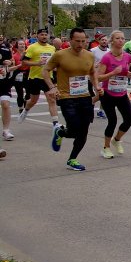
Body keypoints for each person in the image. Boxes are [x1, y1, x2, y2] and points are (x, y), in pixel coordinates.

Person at [43, 28, 100, 171]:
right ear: (70, 40)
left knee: (84, 131)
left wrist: (96, 86)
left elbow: (92, 73)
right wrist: (52, 87)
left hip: (85, 96)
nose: (81, 44)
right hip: (66, 97)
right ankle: (61, 132)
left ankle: (72, 159)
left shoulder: (89, 55)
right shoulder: (60, 55)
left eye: (83, 41)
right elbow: (45, 70)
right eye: (77, 41)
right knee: (74, 129)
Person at [96, 31, 131, 159]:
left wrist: (128, 74)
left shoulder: (128, 56)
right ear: (112, 41)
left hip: (121, 93)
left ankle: (116, 139)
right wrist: (112, 74)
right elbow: (98, 77)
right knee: (112, 121)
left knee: (129, 120)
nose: (121, 40)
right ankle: (106, 148)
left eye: (123, 38)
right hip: (107, 94)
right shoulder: (107, 57)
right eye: (117, 38)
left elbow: (127, 71)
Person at [19, 29, 59, 126]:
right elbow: (24, 62)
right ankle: (25, 110)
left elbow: (54, 62)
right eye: (42, 35)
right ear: (37, 36)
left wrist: (55, 68)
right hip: (35, 78)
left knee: (52, 99)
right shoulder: (32, 47)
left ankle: (55, 123)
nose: (44, 36)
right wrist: (37, 63)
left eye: (46, 35)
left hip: (47, 78)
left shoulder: (52, 48)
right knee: (33, 100)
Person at [0, 37, 20, 142]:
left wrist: (10, 63)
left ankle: (6, 130)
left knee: (5, 104)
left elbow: (12, 61)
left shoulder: (5, 49)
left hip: (3, 81)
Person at [90, 34, 110, 119]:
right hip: (96, 76)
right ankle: (90, 104)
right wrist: (94, 66)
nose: (104, 41)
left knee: (105, 94)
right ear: (98, 41)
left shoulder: (109, 51)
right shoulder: (93, 51)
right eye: (102, 40)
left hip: (106, 76)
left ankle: (101, 111)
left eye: (105, 40)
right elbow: (88, 63)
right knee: (99, 95)